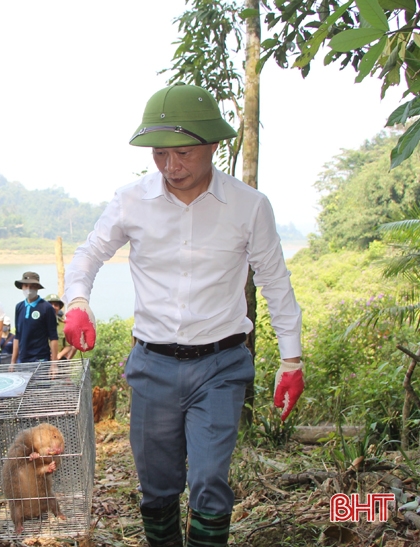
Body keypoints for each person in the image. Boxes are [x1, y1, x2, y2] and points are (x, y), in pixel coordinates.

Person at [63, 83, 303, 547]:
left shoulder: (249, 206)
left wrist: (291, 360)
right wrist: (77, 300)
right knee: (156, 485)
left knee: (210, 479)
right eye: (159, 155)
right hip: (153, 364)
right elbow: (89, 254)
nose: (171, 167)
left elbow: (275, 282)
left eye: (184, 154)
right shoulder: (132, 200)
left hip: (221, 365)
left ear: (213, 145)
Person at [11, 272, 58, 364]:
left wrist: (54, 364)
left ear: (37, 287)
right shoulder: (19, 307)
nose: (28, 289)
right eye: (26, 285)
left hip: (40, 359)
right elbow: (17, 336)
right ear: (22, 287)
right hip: (22, 359)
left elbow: (53, 337)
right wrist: (13, 361)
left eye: (32, 286)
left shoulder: (46, 307)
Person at [45, 293, 76, 360]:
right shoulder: (38, 324)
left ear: (59, 308)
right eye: (50, 304)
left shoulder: (64, 325)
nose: (53, 307)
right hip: (42, 360)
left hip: (59, 360)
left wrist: (59, 355)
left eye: (56, 305)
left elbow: (69, 345)